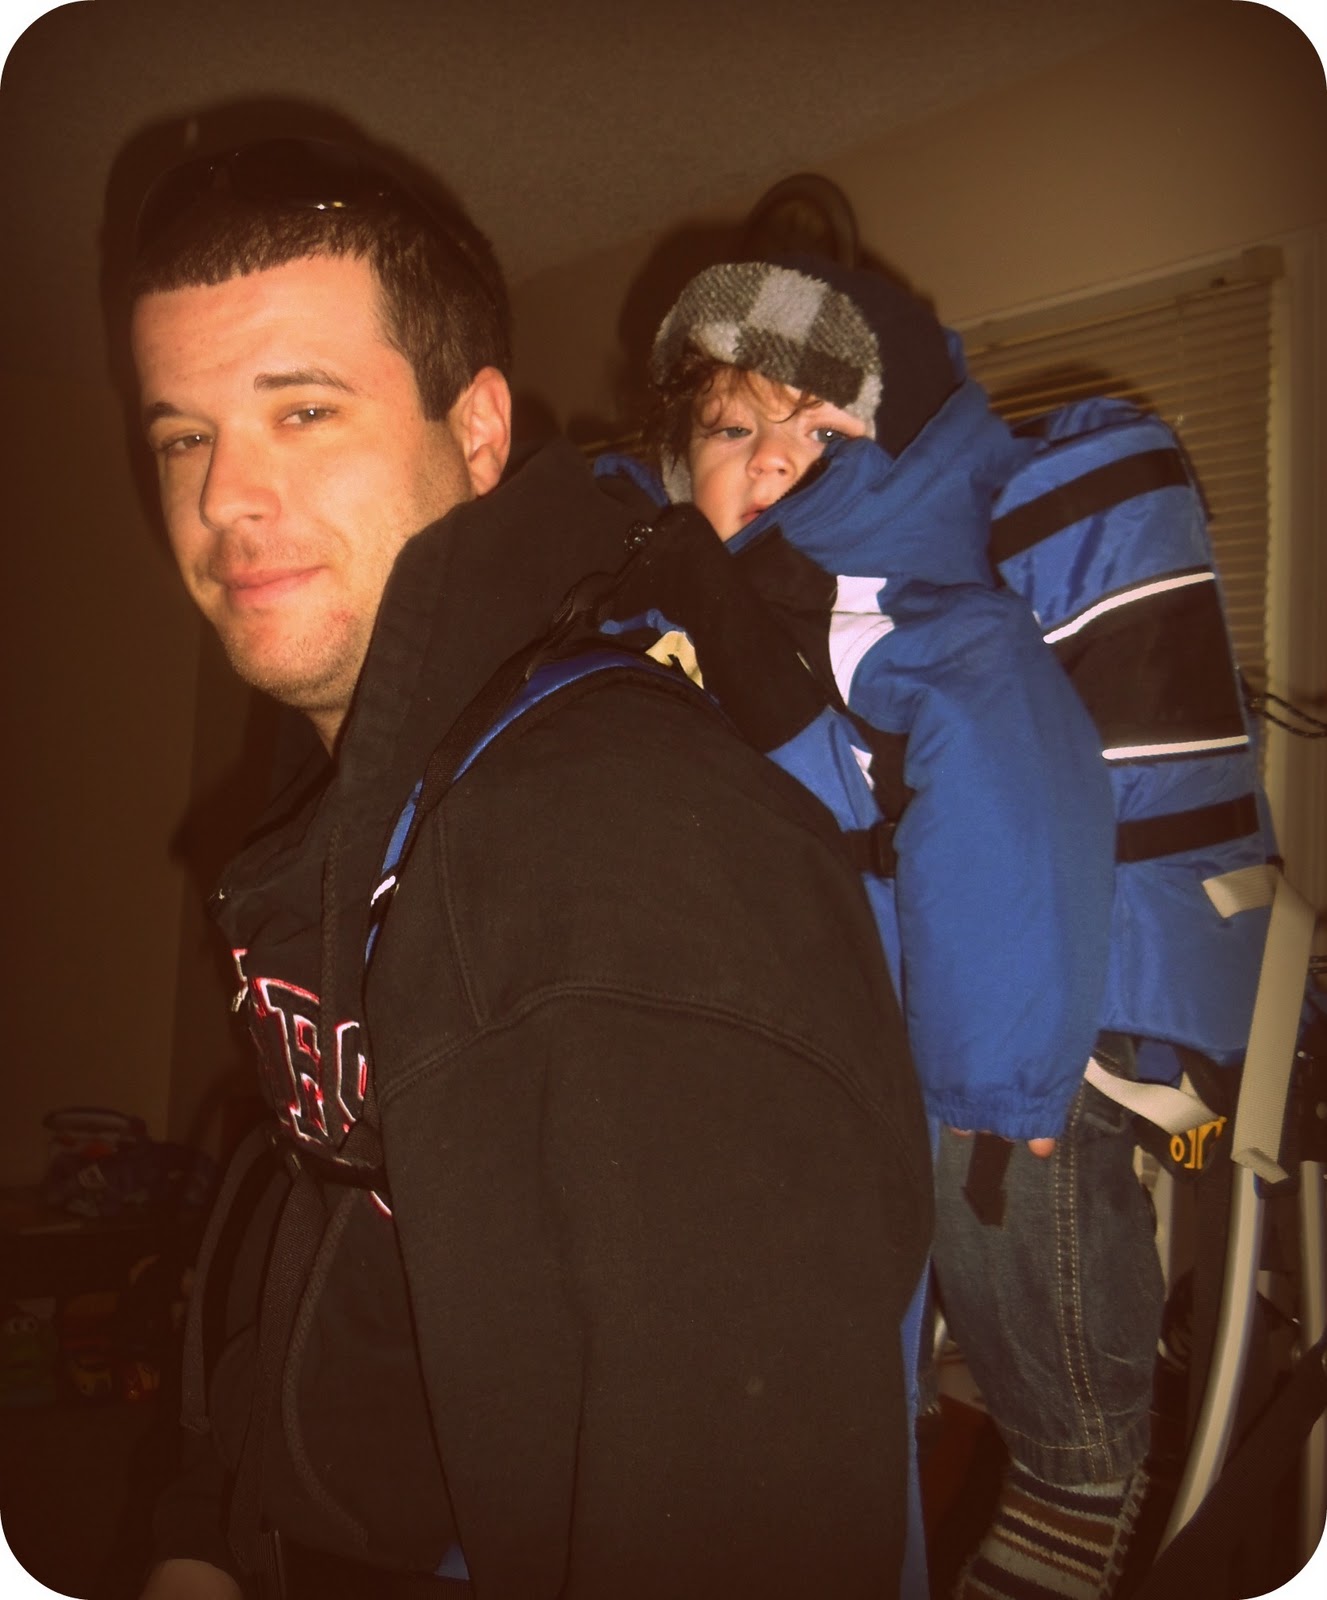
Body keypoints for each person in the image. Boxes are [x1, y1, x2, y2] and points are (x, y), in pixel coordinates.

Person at [125, 140, 932, 1600]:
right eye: (185, 436)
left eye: (302, 411)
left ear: (480, 429)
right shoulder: (389, 773)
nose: (226, 494)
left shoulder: (620, 854)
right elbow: (328, 1187)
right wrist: (207, 1515)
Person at [591, 255, 1164, 1600]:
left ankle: (1079, 1468)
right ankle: (872, 1435)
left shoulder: (908, 612)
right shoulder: (673, 611)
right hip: (802, 1036)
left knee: (995, 1183)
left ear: (893, 453)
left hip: (974, 1032)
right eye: (733, 428)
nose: (771, 458)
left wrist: (994, 1075)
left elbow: (1012, 800)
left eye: (820, 428)